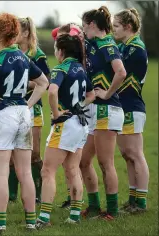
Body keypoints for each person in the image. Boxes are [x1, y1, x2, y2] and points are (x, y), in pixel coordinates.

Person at [0, 12, 48, 232]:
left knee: (2, 173)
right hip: (23, 115)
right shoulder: (25, 58)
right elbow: (43, 82)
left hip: (3, 115)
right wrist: (28, 104)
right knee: (25, 172)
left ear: (1, 36)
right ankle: (31, 221)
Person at [36, 33, 95, 228]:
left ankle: (43, 219)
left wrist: (55, 113)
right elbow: (92, 95)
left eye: (55, 48)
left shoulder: (61, 68)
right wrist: (79, 105)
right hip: (81, 124)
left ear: (61, 51)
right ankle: (75, 215)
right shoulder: (81, 69)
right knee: (72, 169)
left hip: (66, 124)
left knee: (47, 170)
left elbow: (52, 91)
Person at [80, 6, 127, 220]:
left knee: (105, 162)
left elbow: (121, 72)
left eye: (83, 26)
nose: (82, 30)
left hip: (107, 109)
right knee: (83, 161)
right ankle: (93, 206)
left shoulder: (107, 44)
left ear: (92, 24)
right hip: (94, 110)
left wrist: (107, 93)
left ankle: (113, 211)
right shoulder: (93, 44)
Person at [113, 8, 149, 214]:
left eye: (116, 26)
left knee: (135, 154)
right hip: (125, 106)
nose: (113, 30)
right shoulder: (126, 46)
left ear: (128, 27)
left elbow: (122, 78)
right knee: (127, 154)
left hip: (133, 106)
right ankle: (133, 197)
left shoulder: (135, 48)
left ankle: (141, 202)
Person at [14, 16, 51, 204]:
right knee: (10, 151)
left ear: (26, 33)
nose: (13, 34)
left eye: (17, 30)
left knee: (34, 153)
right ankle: (11, 195)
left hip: (33, 108)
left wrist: (24, 84)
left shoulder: (38, 55)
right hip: (11, 108)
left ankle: (38, 193)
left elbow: (46, 81)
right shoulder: (10, 52)